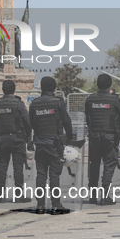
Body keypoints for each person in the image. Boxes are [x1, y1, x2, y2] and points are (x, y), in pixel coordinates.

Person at [29, 76, 73, 215]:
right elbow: (66, 121)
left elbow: (31, 123)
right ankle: (56, 205)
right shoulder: (58, 102)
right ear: (54, 88)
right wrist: (70, 138)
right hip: (54, 144)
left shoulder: (34, 104)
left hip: (40, 143)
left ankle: (40, 206)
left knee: (41, 174)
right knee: (54, 174)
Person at [85, 74, 120, 205]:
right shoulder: (114, 99)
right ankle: (105, 196)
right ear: (109, 85)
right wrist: (118, 135)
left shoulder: (90, 99)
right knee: (109, 165)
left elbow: (88, 118)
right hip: (110, 137)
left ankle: (92, 196)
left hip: (94, 137)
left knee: (94, 165)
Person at [0, 80, 31, 203]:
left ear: (3, 89)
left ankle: (0, 196)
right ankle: (19, 195)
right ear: (14, 90)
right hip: (17, 139)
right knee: (18, 167)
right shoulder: (18, 104)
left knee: (2, 167)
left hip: (2, 139)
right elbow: (27, 121)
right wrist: (28, 137)